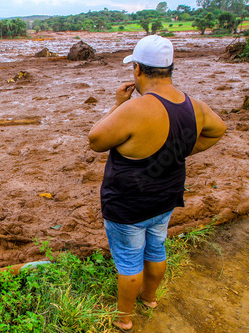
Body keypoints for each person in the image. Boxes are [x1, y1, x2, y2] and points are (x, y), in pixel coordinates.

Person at [88, 35, 227, 332]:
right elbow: (219, 130)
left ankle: (124, 317)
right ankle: (149, 298)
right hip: (166, 199)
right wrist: (185, 149)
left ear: (137, 69)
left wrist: (117, 104)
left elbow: (96, 140)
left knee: (129, 263)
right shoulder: (194, 106)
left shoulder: (135, 109)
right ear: (170, 69)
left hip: (128, 206)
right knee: (156, 250)